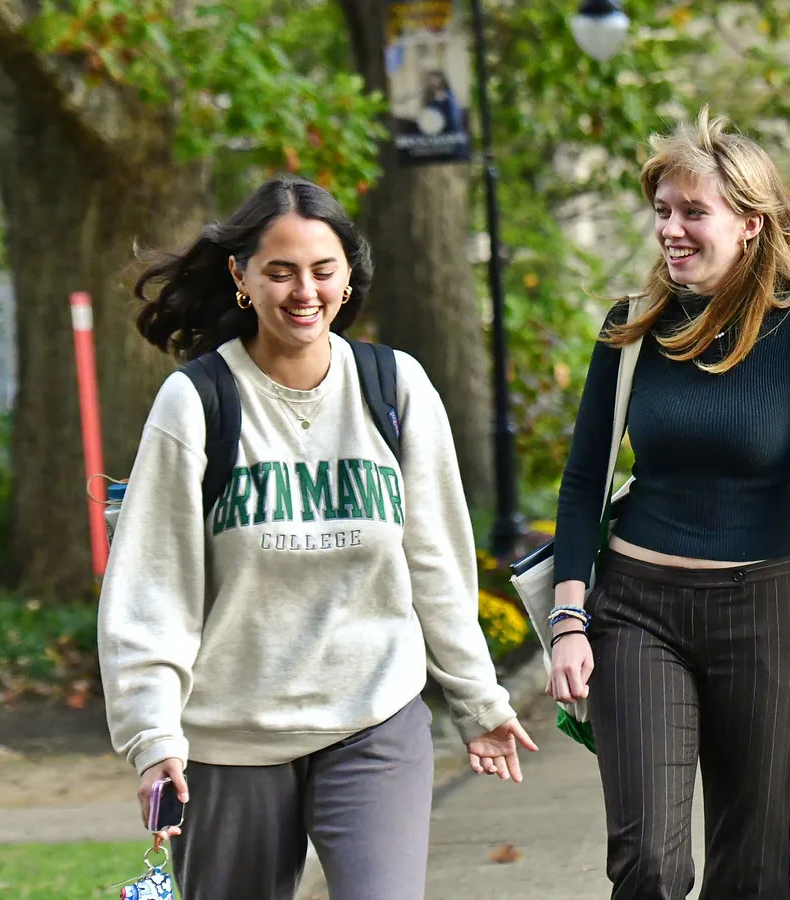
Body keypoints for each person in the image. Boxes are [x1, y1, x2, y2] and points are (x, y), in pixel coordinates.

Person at [97, 175, 535, 900]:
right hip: (231, 738)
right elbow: (153, 590)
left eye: (322, 270)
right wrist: (152, 740)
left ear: (347, 276)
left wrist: (478, 700)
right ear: (240, 276)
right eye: (280, 271)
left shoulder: (394, 388)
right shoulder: (198, 401)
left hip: (372, 717)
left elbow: (437, 562)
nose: (305, 291)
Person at [548, 107, 790, 899]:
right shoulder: (630, 326)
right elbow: (584, 477)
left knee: (752, 865)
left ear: (750, 224)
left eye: (694, 212)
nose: (671, 230)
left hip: (758, 612)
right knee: (650, 865)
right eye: (662, 211)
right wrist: (566, 618)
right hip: (636, 611)